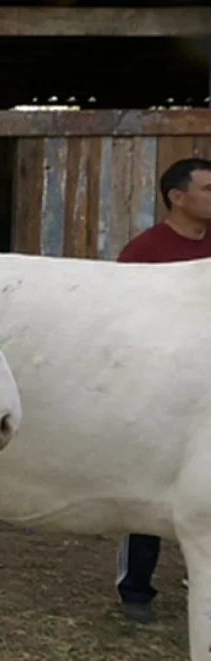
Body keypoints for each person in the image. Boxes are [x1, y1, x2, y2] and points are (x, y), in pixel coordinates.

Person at [115, 156, 211, 624]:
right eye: (209, 189)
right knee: (148, 489)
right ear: (178, 197)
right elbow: (121, 324)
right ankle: (136, 589)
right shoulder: (144, 253)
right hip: (158, 390)